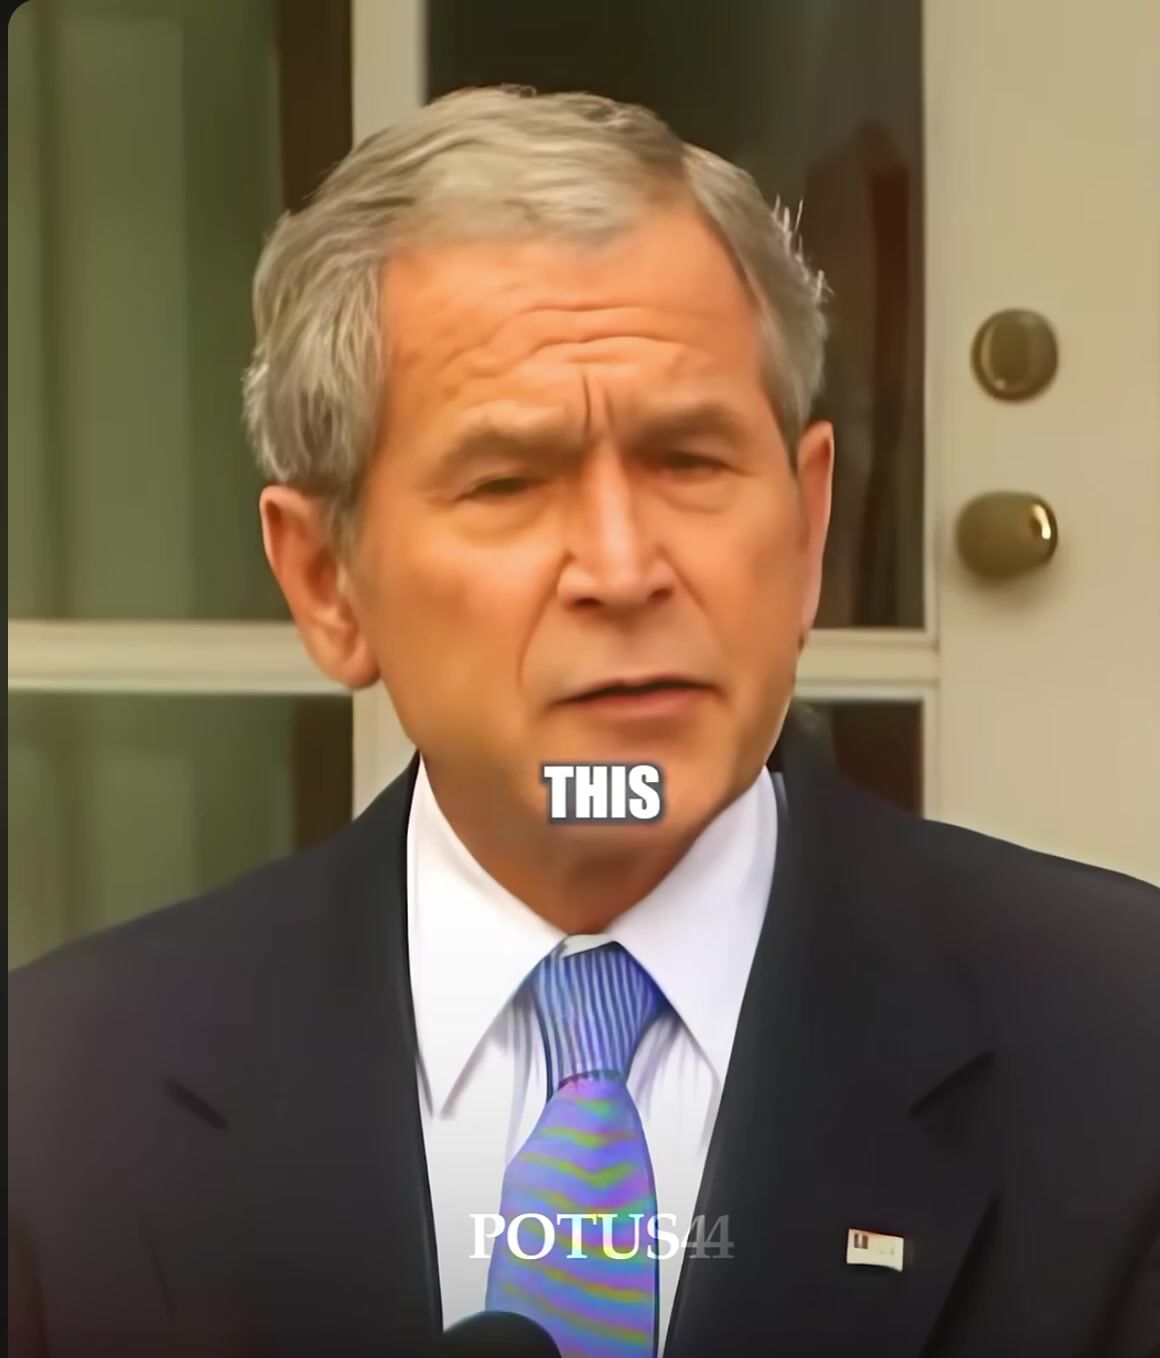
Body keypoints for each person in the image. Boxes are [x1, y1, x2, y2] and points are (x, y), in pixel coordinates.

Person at [8, 87, 1159, 1358]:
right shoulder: (60, 1104)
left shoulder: (1121, 1044)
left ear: (807, 524)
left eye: (689, 462)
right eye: (507, 482)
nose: (621, 568)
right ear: (326, 581)